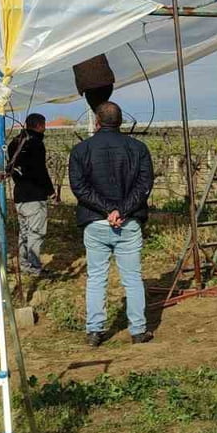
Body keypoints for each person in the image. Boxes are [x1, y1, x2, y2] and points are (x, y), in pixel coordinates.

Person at [68, 102, 154, 346]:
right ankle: (138, 330)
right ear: (121, 122)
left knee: (96, 277)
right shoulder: (138, 148)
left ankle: (95, 331)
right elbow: (144, 186)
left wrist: (107, 210)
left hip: (95, 223)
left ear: (97, 122)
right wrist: (122, 210)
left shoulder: (80, 150)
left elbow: (79, 188)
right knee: (133, 278)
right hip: (128, 223)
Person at [8, 113, 53, 278]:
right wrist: (50, 190)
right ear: (40, 125)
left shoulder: (15, 142)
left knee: (24, 231)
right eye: (44, 125)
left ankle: (24, 264)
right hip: (34, 195)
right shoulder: (35, 143)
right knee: (36, 232)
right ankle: (34, 267)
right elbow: (40, 170)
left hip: (19, 194)